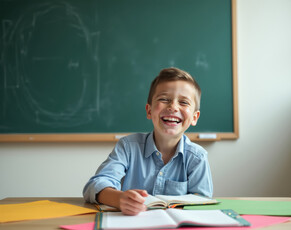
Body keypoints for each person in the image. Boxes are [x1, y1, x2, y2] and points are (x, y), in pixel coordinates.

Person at [83, 67, 213, 215]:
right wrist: (119, 199)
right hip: (131, 227)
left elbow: (203, 202)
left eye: (183, 102)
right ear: (149, 111)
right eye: (164, 99)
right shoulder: (128, 147)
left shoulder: (197, 157)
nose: (173, 107)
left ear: (194, 117)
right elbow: (94, 186)